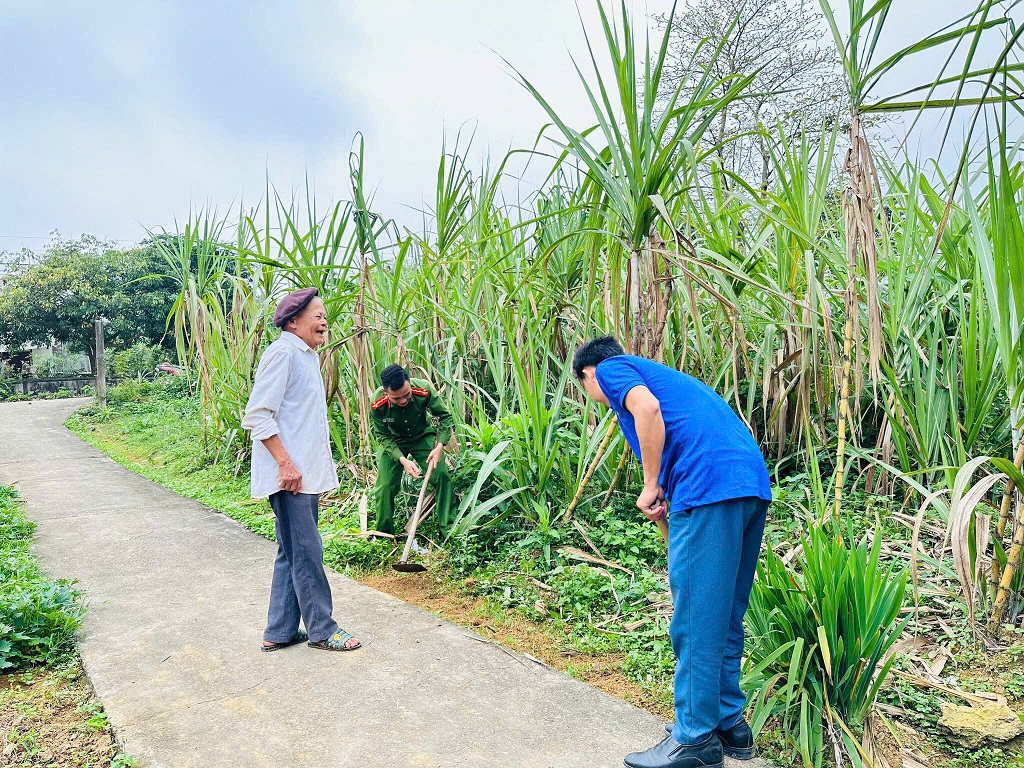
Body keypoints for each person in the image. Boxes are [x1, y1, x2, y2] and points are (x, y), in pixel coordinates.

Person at [572, 336, 771, 768]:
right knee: (722, 613)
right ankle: (727, 725)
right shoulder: (673, 382)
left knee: (696, 619)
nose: (595, 397)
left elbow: (646, 410)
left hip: (708, 487)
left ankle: (695, 738)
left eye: (585, 389)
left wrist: (648, 484)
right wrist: (663, 495)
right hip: (748, 484)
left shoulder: (611, 368)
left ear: (588, 374)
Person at [241, 287, 361, 653]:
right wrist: (285, 463)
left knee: (291, 550)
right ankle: (322, 629)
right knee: (307, 552)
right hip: (291, 477)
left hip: (302, 475)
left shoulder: (305, 355)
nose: (324, 321)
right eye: (317, 315)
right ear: (293, 321)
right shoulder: (283, 353)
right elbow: (258, 415)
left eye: (325, 315)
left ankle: (278, 630)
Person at [369, 364, 455, 538]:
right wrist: (402, 459)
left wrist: (439, 446)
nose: (403, 401)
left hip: (421, 436)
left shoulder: (423, 390)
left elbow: (445, 416)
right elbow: (383, 437)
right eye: (396, 398)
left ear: (409, 383)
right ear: (386, 393)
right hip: (393, 442)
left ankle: (448, 528)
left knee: (442, 476)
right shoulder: (377, 405)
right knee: (385, 487)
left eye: (406, 395)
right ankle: (383, 534)